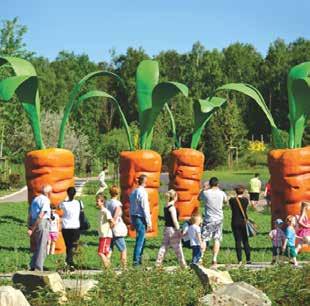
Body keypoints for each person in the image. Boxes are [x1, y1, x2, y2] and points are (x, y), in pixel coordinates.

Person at [200, 177, 227, 266]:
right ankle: (214, 259)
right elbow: (226, 201)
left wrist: (204, 188)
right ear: (218, 184)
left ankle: (200, 258)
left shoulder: (206, 193)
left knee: (204, 239)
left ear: (210, 184)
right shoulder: (222, 193)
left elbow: (198, 198)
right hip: (219, 219)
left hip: (208, 219)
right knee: (217, 239)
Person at [156, 190, 186, 268]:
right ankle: (183, 265)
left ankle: (158, 263)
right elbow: (175, 221)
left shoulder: (166, 206)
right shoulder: (172, 208)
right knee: (178, 247)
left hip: (166, 228)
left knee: (164, 246)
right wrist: (179, 230)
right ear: (175, 197)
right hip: (172, 230)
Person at [27, 185, 52, 271]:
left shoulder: (35, 199)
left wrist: (30, 227)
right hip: (42, 223)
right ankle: (38, 268)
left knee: (39, 245)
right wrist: (32, 228)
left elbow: (30, 214)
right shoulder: (45, 200)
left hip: (35, 222)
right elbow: (41, 214)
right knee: (42, 246)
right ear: (48, 193)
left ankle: (33, 265)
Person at [129, 174, 152, 266]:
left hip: (134, 216)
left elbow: (131, 207)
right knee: (140, 240)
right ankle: (136, 261)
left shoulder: (134, 192)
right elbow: (145, 208)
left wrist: (131, 219)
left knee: (141, 238)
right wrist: (149, 222)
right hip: (140, 217)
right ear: (145, 182)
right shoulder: (142, 192)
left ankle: (139, 259)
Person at [60, 187, 81, 269]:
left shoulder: (64, 204)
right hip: (75, 226)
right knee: (74, 245)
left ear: (67, 194)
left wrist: (66, 198)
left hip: (66, 227)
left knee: (68, 245)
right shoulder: (78, 203)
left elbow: (58, 206)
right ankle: (70, 262)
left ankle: (69, 262)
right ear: (75, 194)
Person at [229, 186, 251, 265]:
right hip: (243, 222)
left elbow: (230, 204)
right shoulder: (246, 200)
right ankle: (248, 259)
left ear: (235, 191)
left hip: (235, 221)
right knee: (245, 241)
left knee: (238, 241)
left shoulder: (232, 200)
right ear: (243, 191)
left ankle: (240, 260)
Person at [106, 185, 127, 268]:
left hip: (108, 227)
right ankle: (124, 267)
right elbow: (115, 216)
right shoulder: (117, 204)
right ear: (118, 193)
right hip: (116, 228)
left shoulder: (107, 202)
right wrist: (113, 224)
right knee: (123, 249)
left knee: (110, 249)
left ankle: (107, 266)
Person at [96, 193, 114, 268]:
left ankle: (108, 267)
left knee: (100, 252)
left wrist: (109, 229)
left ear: (102, 202)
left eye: (98, 201)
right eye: (96, 201)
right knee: (105, 253)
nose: (96, 203)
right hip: (102, 235)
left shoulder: (106, 211)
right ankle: (108, 270)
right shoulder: (100, 211)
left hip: (105, 235)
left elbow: (112, 221)